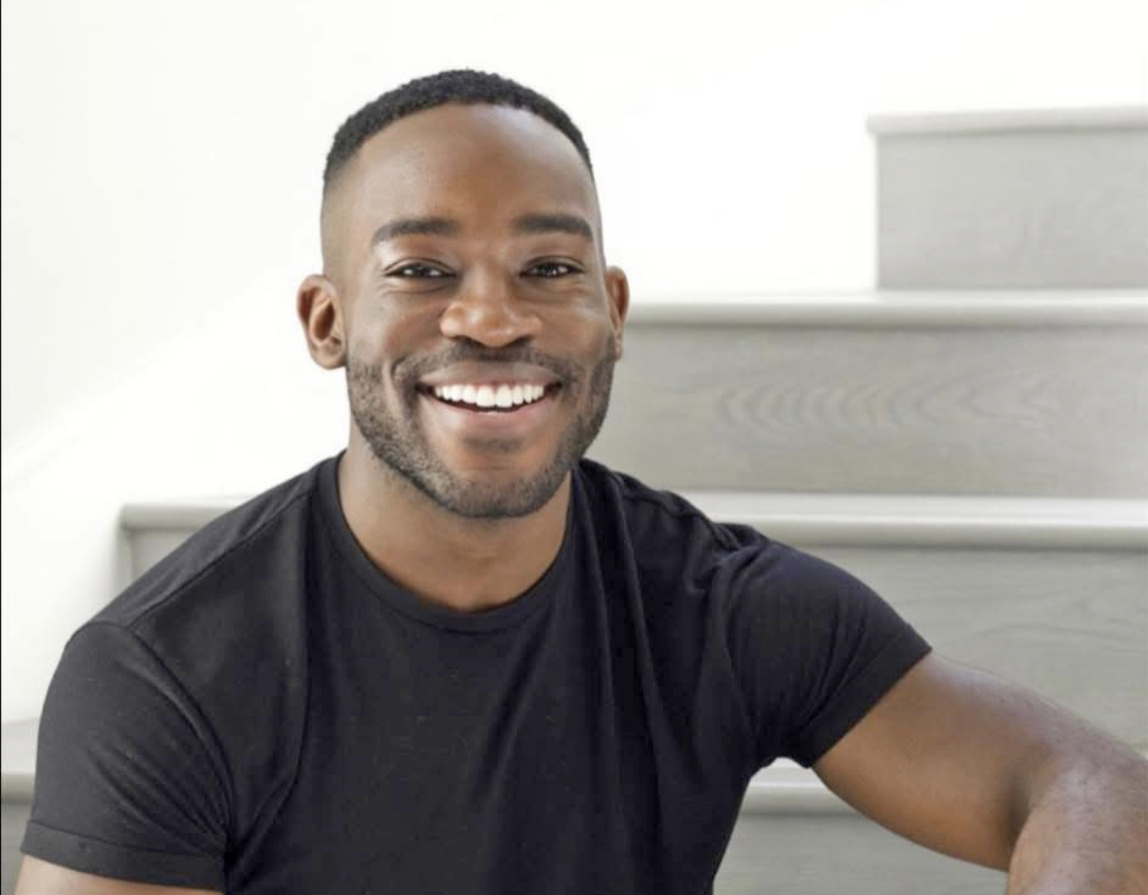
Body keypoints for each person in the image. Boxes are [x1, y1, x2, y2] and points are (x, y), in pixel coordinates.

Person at [16, 69, 1148, 895]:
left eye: (548, 267)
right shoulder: (164, 673)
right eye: (422, 269)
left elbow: (1081, 781)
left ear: (610, 310)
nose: (491, 317)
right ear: (326, 321)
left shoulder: (719, 608)